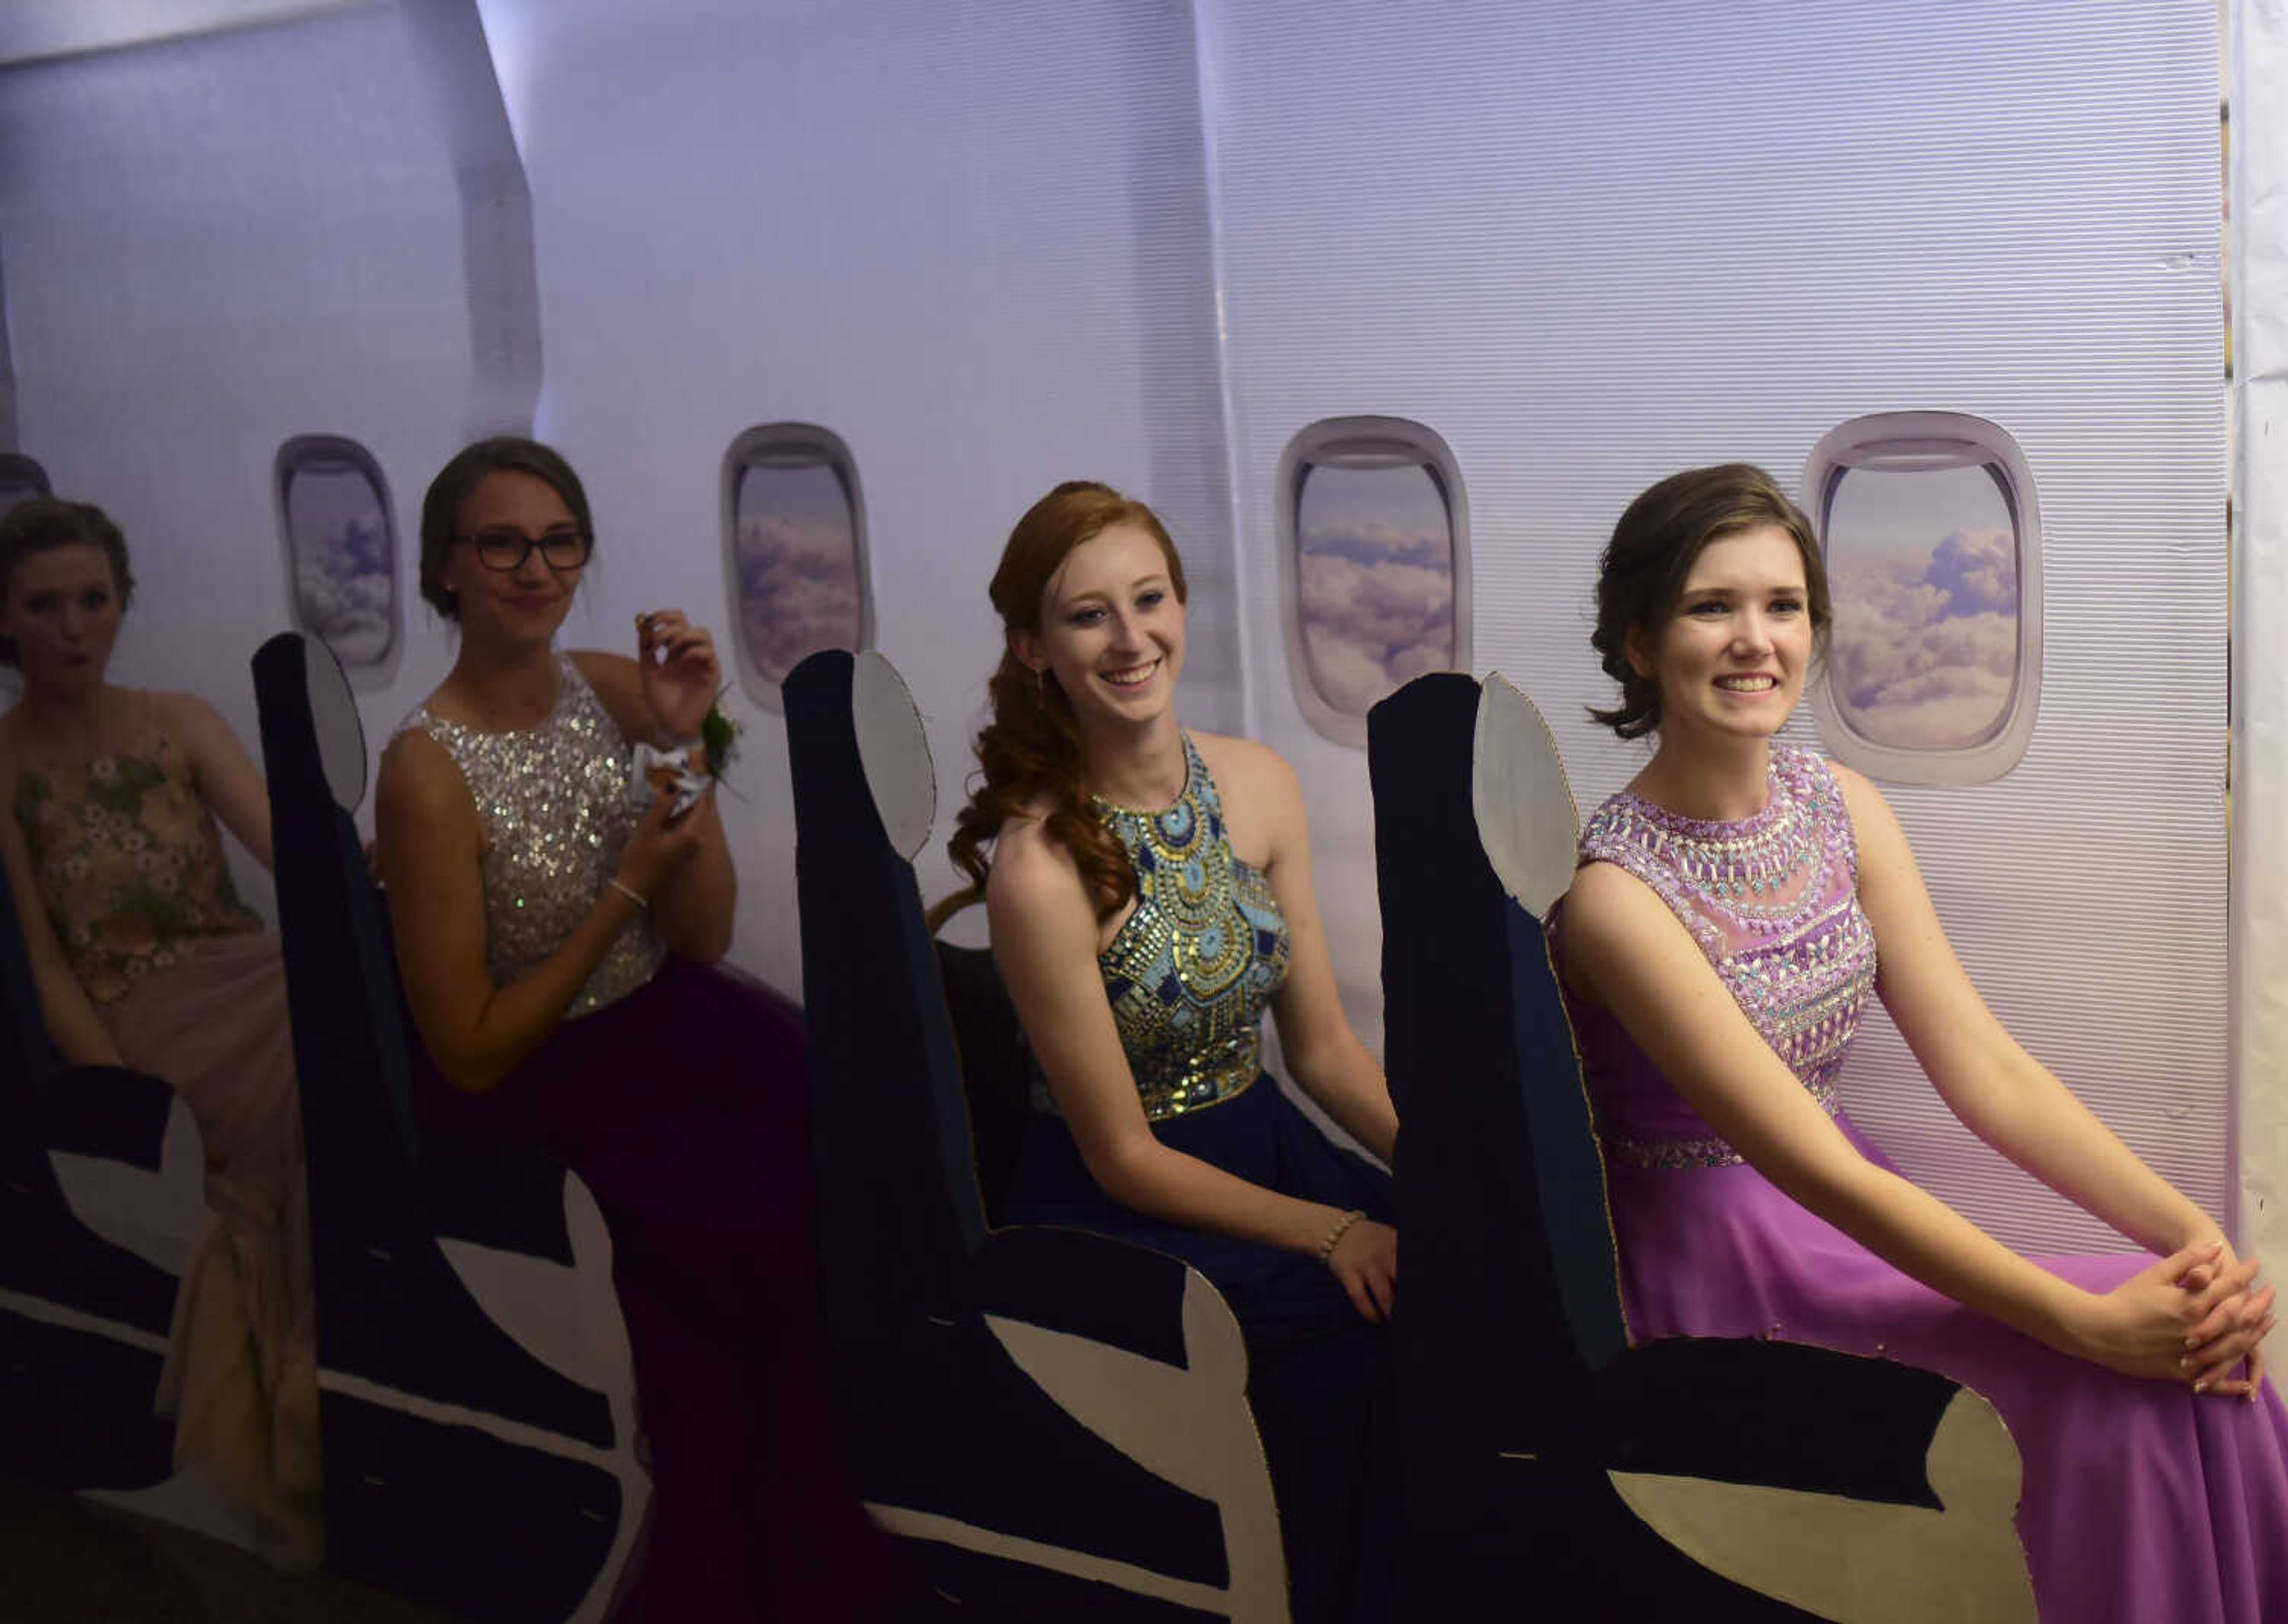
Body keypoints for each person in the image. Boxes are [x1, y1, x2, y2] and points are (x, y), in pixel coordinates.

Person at [1553, 463, 2288, 1620]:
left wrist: (2194, 1239)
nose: (1756, 641)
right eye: (1713, 607)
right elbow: (1818, 1168)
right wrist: (2085, 1322)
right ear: (1640, 642)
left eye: (1784, 607)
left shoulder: (1839, 802)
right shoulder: (1614, 901)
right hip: (1736, 1277)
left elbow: (1987, 1070)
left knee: (2193, 1350)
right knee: (2119, 1371)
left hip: (1844, 1222)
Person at [375, 437, 893, 1621]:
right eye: (500, 542)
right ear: (445, 568)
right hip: (541, 1075)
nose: (534, 567)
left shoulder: (613, 689)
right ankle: (753, 1556)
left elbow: (702, 935)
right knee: (742, 1225)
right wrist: (619, 889)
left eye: (559, 542)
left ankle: (844, 1496)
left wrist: (682, 742)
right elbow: (467, 1046)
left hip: (674, 1019)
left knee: (852, 1130)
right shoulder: (425, 771)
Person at [932, 480, 1401, 1621]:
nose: (1131, 638)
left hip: (1263, 1135)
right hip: (1126, 1199)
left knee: (1464, 1271)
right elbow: (1122, 1156)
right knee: (1348, 1329)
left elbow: (1328, 1051)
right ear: (1034, 647)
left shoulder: (1261, 785)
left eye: (1151, 600)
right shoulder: (1038, 868)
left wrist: (1450, 1172)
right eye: (1089, 615)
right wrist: (1334, 1229)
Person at [0, 497, 321, 1567]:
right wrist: (139, 1102)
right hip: (142, 1016)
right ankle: (305, 1355)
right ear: (6, 620)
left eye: (94, 600)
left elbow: (298, 863)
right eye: (45, 606)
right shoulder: (0, 770)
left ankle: (339, 1345)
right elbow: (43, 963)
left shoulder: (180, 721)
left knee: (338, 999)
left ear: (124, 604)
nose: (74, 627)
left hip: (245, 967)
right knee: (315, 1042)